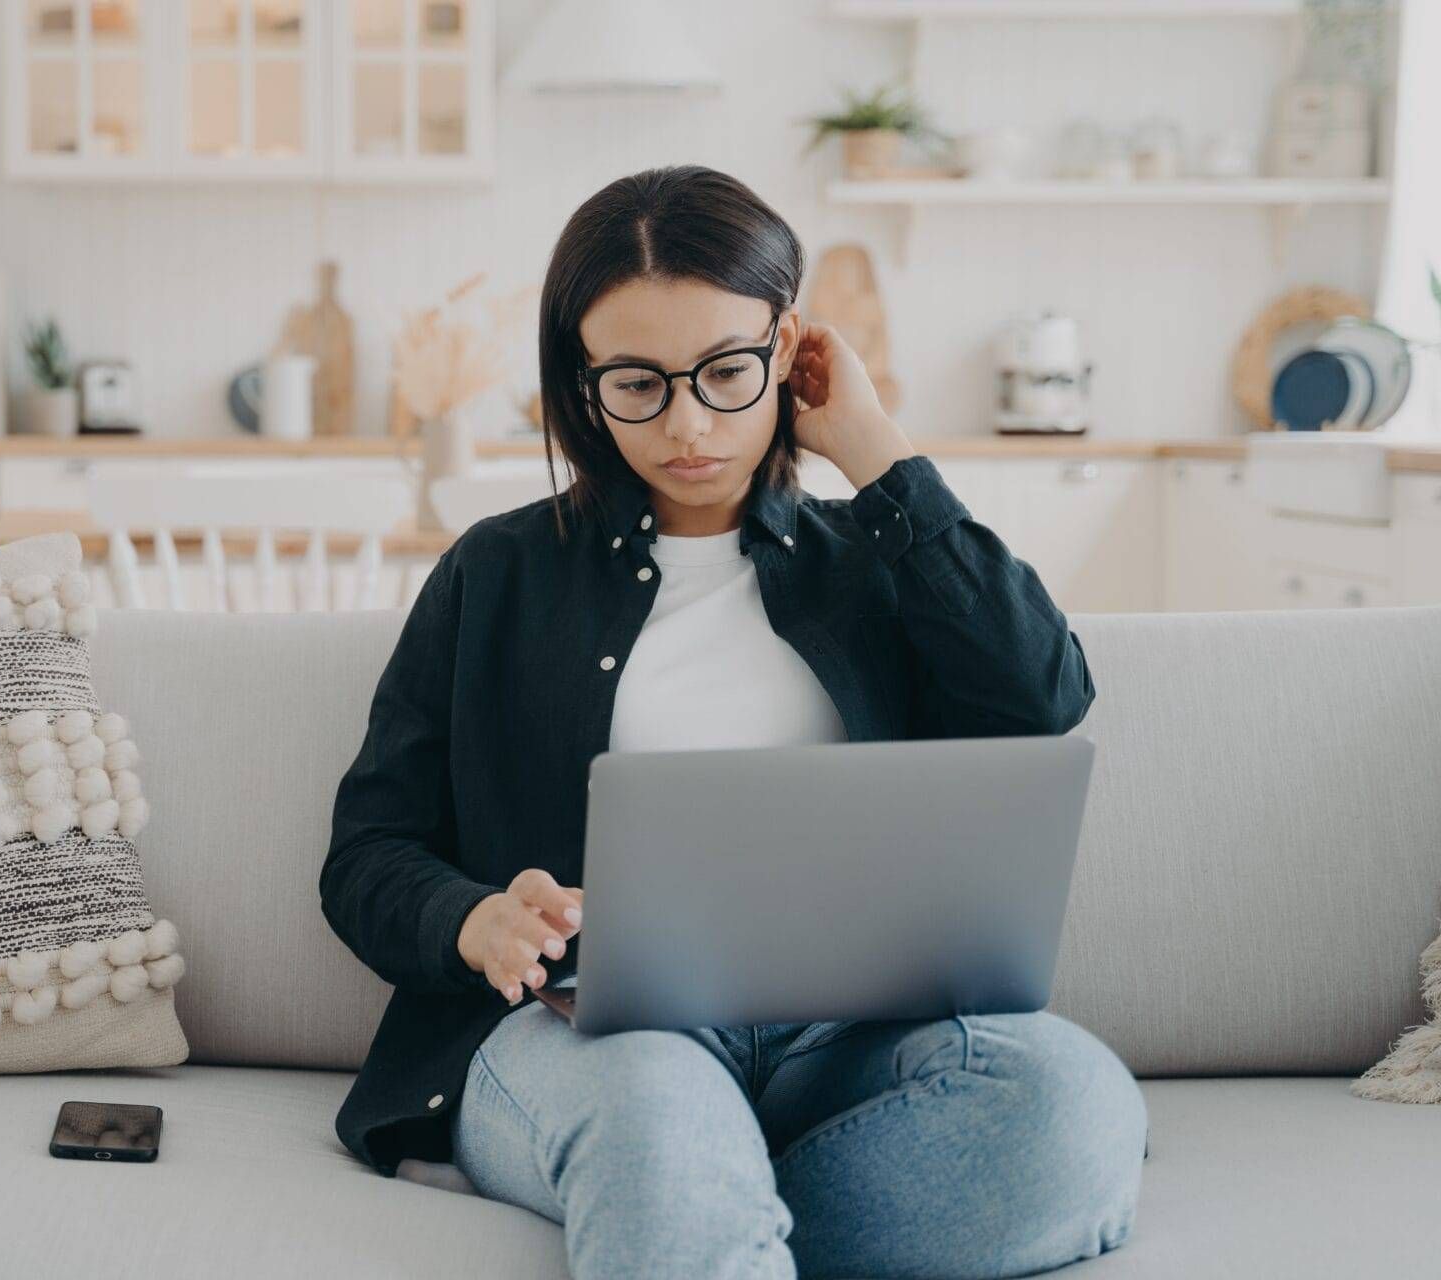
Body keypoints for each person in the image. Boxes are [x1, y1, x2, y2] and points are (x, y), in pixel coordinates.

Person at [318, 164, 1146, 1279]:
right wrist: (473, 921)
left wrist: (877, 449)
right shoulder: (496, 572)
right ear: (582, 377)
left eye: (726, 371)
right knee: (659, 1117)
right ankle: (673, 1180)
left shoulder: (874, 554)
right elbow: (368, 851)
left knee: (1072, 1106)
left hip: (842, 1039)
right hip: (592, 1036)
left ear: (788, 344)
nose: (689, 424)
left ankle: (693, 1205)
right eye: (638, 385)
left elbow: (1043, 696)